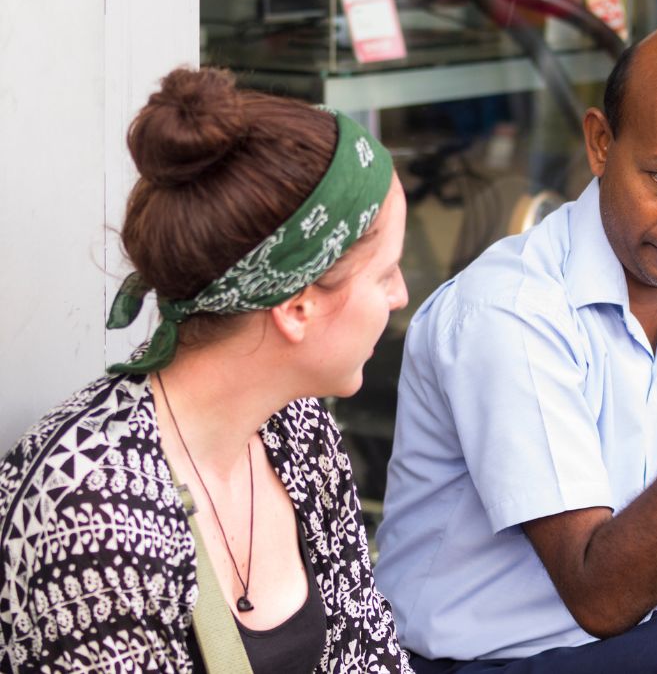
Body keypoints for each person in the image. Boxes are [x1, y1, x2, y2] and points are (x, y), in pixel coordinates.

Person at [375, 16, 657, 673]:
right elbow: (598, 593)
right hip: (466, 663)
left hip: (621, 648)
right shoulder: (510, 312)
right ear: (600, 143)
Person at [0, 68, 412, 673]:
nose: (401, 295)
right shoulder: (92, 513)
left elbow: (369, 653)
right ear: (297, 307)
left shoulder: (298, 433)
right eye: (384, 274)